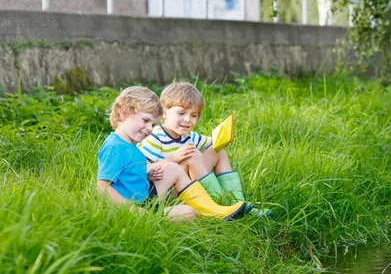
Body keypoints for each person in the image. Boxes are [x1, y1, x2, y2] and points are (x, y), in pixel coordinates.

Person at [96, 86, 246, 221]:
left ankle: (214, 209)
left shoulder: (131, 145)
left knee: (173, 169)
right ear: (124, 114)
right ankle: (156, 218)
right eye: (145, 120)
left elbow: (129, 177)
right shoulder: (114, 147)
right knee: (189, 212)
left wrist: (148, 176)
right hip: (136, 208)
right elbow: (102, 185)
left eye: (153, 124)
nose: (149, 128)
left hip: (145, 197)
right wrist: (133, 210)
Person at [138, 82, 271, 217]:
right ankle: (219, 204)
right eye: (181, 113)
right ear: (164, 113)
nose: (187, 119)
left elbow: (213, 143)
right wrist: (172, 159)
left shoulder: (189, 136)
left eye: (193, 115)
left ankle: (237, 202)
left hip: (191, 184)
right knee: (192, 155)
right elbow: (142, 169)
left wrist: (223, 138)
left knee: (217, 151)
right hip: (169, 189)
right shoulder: (155, 137)